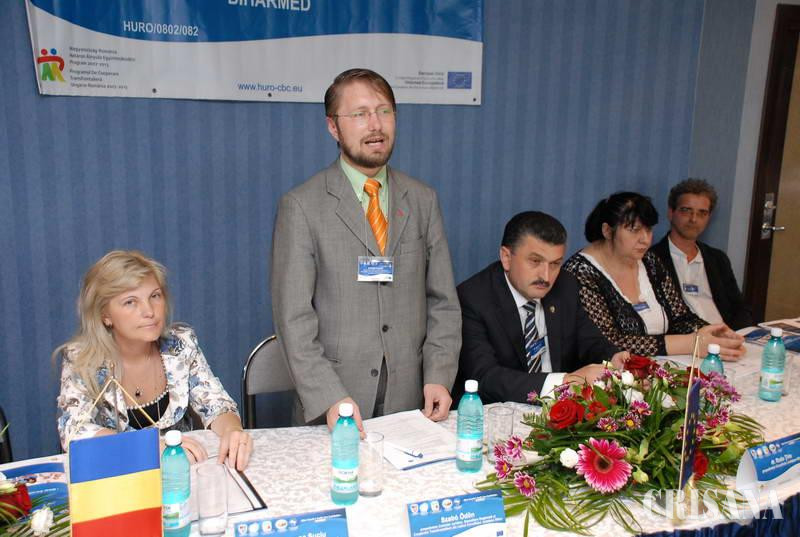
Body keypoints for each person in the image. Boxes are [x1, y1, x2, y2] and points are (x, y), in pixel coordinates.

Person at [270, 68, 461, 432]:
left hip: (412, 403)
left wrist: (439, 375)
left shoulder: (422, 199)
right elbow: (293, 319)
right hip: (335, 406)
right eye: (359, 114)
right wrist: (330, 397)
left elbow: (443, 303)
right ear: (333, 127)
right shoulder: (302, 206)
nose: (375, 125)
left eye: (384, 111)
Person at [55, 251, 252, 470]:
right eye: (130, 302)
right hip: (117, 477)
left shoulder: (181, 345)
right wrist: (146, 447)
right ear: (105, 315)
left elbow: (217, 405)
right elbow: (73, 431)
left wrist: (233, 431)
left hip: (180, 475)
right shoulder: (81, 360)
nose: (149, 311)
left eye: (155, 296)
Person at [454, 211, 628, 404]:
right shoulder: (473, 298)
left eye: (555, 264)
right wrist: (564, 383)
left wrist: (613, 357)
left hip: (562, 409)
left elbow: (589, 340)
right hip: (499, 409)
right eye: (535, 261)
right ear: (506, 257)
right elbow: (486, 377)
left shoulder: (565, 284)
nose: (546, 276)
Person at [563, 192, 745, 359]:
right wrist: (691, 343)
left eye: (648, 230)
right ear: (607, 231)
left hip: (663, 364)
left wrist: (710, 333)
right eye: (634, 230)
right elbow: (607, 342)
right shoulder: (579, 272)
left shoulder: (649, 260)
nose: (645, 239)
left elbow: (680, 317)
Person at [650, 179, 753, 330]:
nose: (693, 219)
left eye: (702, 213)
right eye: (686, 210)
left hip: (726, 335)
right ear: (671, 213)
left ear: (709, 218)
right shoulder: (651, 260)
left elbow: (740, 307)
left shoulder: (718, 259)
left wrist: (736, 334)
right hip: (686, 338)